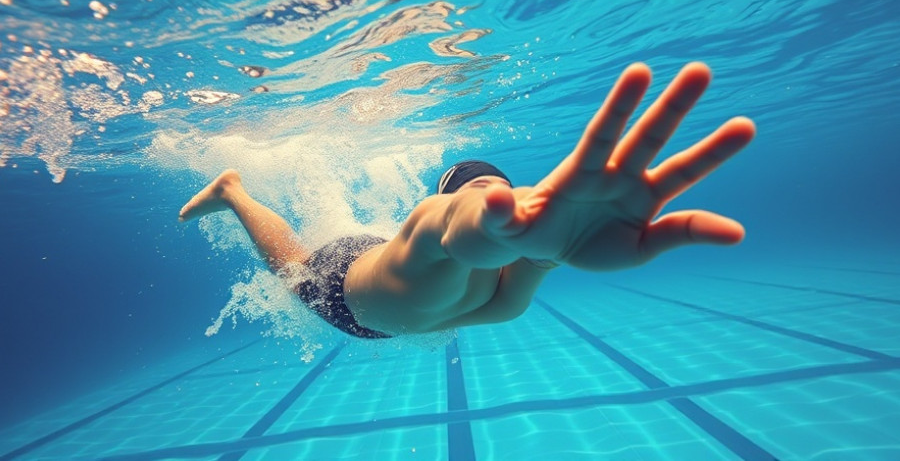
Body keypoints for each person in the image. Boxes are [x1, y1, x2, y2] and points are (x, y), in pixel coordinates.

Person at [179, 62, 756, 338]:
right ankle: (234, 191)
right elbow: (444, 226)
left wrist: (555, 245)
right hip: (346, 280)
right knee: (295, 269)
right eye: (479, 195)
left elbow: (521, 253)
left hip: (385, 261)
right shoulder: (434, 237)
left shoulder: (506, 282)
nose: (497, 203)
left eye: (500, 193)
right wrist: (490, 219)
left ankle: (233, 190)